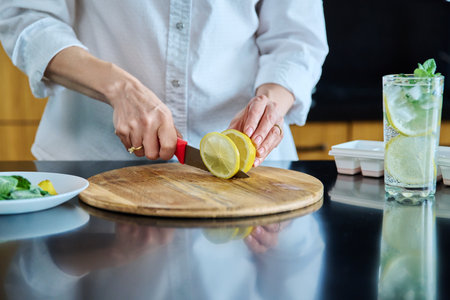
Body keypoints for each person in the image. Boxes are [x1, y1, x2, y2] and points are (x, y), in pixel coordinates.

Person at [0, 1, 328, 166]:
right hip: (93, 163)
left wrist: (270, 103)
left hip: (246, 176)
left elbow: (296, 39)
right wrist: (118, 88)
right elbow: (27, 18)